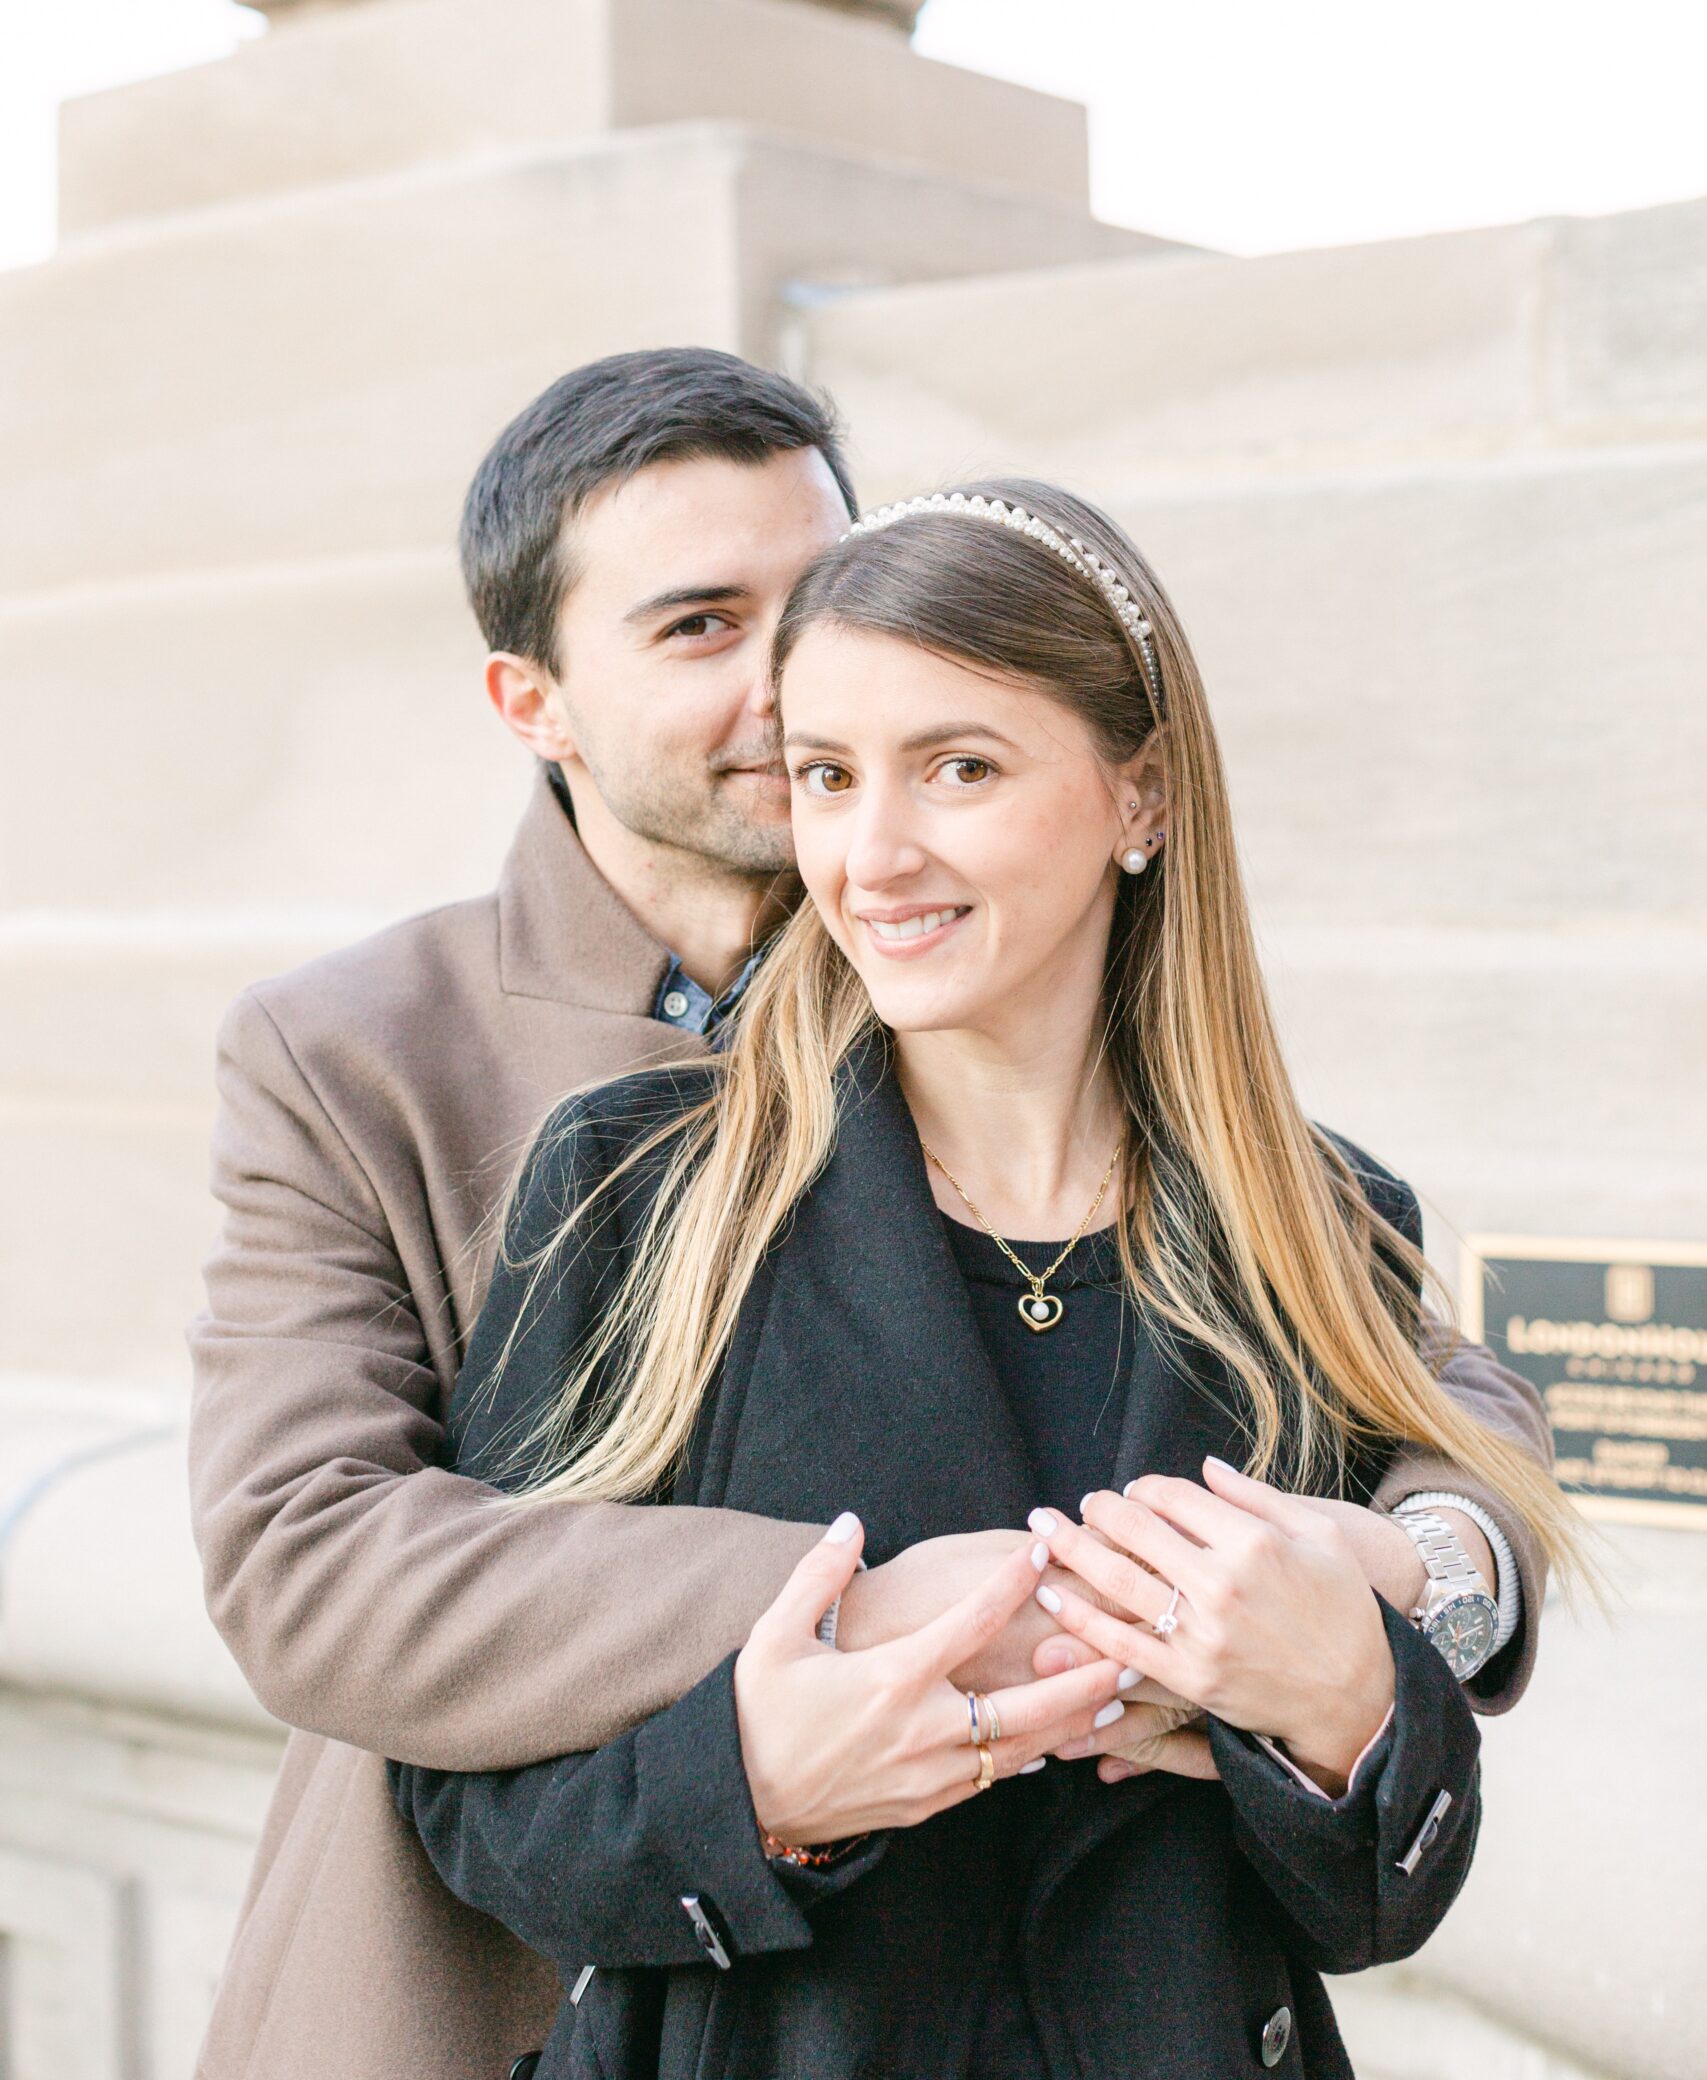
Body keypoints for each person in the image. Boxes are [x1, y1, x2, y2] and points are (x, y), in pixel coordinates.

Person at [189, 355, 1552, 2080]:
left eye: (821, 594)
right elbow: (308, 1555)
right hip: (552, 1995)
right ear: (534, 698)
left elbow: (1417, 1379)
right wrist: (867, 1616)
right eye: (703, 627)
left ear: (1128, 798)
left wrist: (1403, 1587)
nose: (787, 679)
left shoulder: (1240, 1153)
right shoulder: (399, 1069)